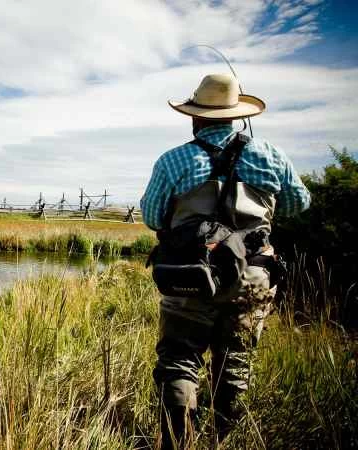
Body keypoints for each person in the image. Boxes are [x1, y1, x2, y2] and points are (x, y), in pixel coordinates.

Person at [140, 73, 311, 448]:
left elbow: (152, 217)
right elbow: (301, 203)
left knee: (179, 358)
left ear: (194, 116)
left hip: (189, 273)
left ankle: (177, 441)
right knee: (236, 361)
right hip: (252, 274)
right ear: (236, 115)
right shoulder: (272, 155)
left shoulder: (172, 160)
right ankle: (223, 439)